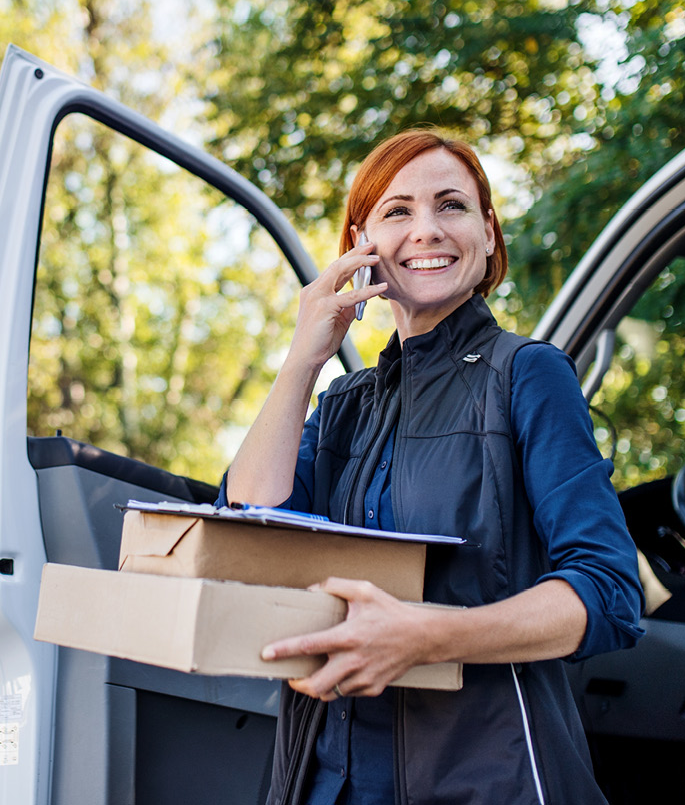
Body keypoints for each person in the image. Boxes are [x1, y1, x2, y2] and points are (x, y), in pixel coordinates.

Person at [221, 128, 644, 805]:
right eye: (397, 211)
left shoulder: (527, 374)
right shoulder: (342, 403)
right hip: (323, 780)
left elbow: (608, 589)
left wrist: (430, 636)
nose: (427, 230)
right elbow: (245, 528)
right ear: (361, 243)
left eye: (451, 205)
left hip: (486, 778)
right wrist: (302, 358)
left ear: (488, 232)